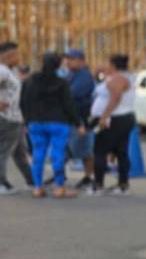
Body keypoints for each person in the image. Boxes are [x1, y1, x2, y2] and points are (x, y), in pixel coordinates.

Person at [20, 52, 86, 198]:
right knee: (57, 154)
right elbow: (69, 105)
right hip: (58, 123)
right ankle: (59, 187)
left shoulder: (29, 81)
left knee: (38, 154)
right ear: (58, 65)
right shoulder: (62, 83)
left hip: (35, 123)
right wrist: (78, 123)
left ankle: (38, 188)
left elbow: (23, 102)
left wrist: (26, 120)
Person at [90, 54, 137, 195]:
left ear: (113, 65)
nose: (104, 65)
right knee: (120, 151)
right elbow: (100, 81)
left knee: (100, 151)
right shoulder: (119, 77)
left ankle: (98, 185)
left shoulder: (118, 79)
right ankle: (123, 184)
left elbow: (116, 97)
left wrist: (104, 116)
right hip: (122, 118)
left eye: (107, 62)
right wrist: (99, 72)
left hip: (115, 119)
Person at [0, 41, 36, 194]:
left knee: (20, 151)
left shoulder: (10, 70)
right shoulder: (2, 70)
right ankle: (2, 183)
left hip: (16, 118)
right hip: (7, 118)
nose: (19, 58)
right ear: (10, 55)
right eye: (18, 54)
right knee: (4, 151)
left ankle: (32, 181)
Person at [63, 49, 97, 189]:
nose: (68, 61)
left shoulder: (84, 75)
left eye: (72, 59)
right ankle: (60, 175)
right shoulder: (71, 74)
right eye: (68, 59)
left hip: (81, 118)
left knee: (84, 150)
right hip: (70, 118)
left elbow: (71, 94)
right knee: (65, 148)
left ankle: (89, 177)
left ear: (82, 61)